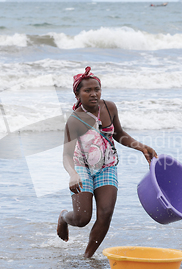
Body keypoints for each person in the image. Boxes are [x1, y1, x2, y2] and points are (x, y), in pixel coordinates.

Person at [57, 66, 157, 258]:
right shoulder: (74, 120)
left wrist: (141, 147)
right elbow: (66, 155)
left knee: (105, 213)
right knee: (82, 218)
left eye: (97, 89)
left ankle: (87, 257)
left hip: (107, 166)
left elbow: (119, 134)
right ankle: (63, 217)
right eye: (88, 90)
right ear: (78, 94)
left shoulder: (109, 108)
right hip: (82, 166)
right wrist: (73, 174)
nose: (94, 94)